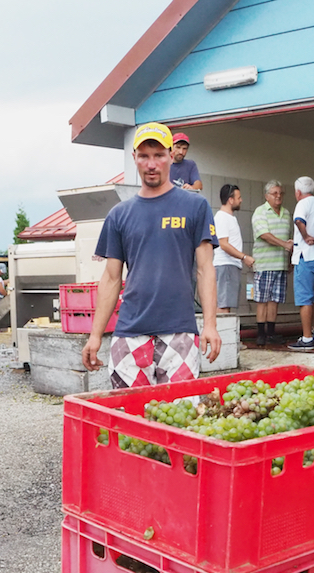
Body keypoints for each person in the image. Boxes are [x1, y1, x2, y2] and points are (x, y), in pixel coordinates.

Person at [81, 122, 220, 387]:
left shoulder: (195, 206)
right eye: (144, 156)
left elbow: (205, 269)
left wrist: (210, 325)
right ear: (134, 158)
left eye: (158, 155)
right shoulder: (119, 215)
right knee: (130, 419)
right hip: (129, 332)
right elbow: (111, 279)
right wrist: (95, 335)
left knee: (180, 414)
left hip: (179, 330)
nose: (151, 163)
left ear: (170, 156)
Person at [250, 180, 293, 346]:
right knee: (262, 299)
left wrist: (288, 261)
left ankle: (271, 332)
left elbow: (287, 238)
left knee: (275, 300)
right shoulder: (260, 212)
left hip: (280, 263)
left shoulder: (286, 213)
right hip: (264, 263)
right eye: (274, 193)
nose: (278, 196)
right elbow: (264, 234)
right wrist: (284, 245)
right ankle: (260, 333)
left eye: (280, 193)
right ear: (266, 196)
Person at [287, 176, 314, 352]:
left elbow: (299, 221)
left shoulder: (302, 204)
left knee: (305, 298)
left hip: (306, 255)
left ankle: (306, 337)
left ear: (297, 192)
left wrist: (305, 236)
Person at [213, 184, 253, 313]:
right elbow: (223, 244)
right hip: (226, 265)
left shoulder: (229, 218)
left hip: (230, 266)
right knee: (223, 306)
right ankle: (221, 332)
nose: (240, 200)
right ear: (230, 200)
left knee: (226, 303)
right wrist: (244, 257)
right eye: (238, 197)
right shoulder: (222, 217)